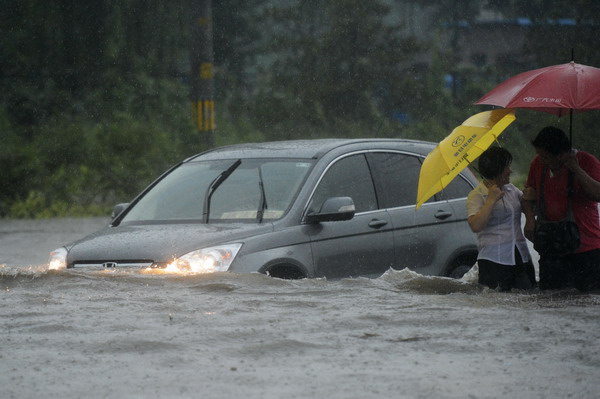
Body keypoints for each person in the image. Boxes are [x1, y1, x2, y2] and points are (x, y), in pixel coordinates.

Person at [523, 126, 600, 291]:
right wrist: (529, 219)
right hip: (550, 248)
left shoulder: (587, 161)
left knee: (587, 301)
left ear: (561, 154)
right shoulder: (537, 164)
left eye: (545, 156)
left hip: (586, 249)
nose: (541, 160)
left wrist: (577, 170)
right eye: (539, 155)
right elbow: (528, 195)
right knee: (550, 302)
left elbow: (598, 194)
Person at [467, 146, 536, 291]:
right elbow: (476, 226)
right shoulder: (477, 195)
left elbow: (528, 209)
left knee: (529, 298)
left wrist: (529, 199)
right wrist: (491, 200)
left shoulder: (511, 189)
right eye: (507, 167)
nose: (510, 171)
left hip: (520, 255)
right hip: (494, 259)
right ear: (496, 169)